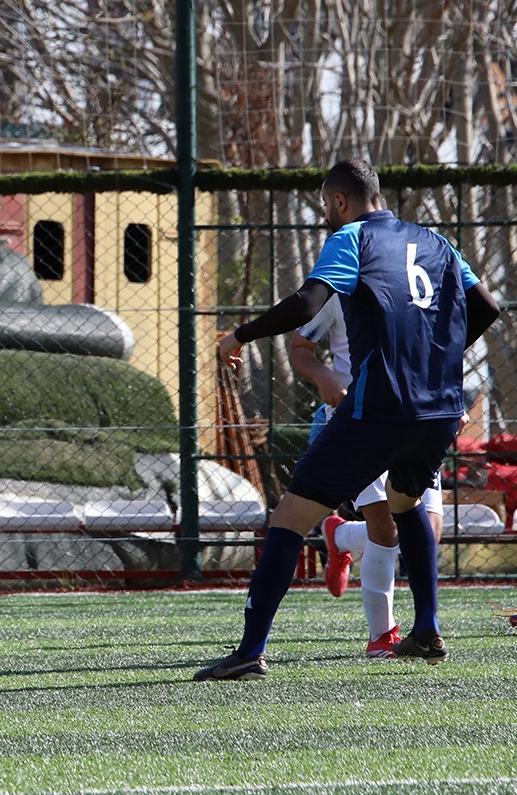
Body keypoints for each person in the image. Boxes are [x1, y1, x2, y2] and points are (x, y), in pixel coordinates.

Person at [199, 158, 499, 681]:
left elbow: (306, 304)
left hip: (378, 408)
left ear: (339, 201)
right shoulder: (437, 240)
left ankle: (249, 651)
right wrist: (437, 359)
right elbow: (488, 308)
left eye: (325, 205)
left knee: (289, 518)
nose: (326, 214)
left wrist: (239, 335)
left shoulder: (352, 237)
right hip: (440, 408)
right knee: (406, 503)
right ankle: (426, 628)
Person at [289, 297, 447, 658]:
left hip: (419, 415)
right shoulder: (339, 289)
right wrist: (324, 376)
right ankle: (382, 635)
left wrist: (449, 395)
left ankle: (340, 535)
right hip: (359, 421)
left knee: (427, 532)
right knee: (385, 526)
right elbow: (299, 348)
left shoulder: (427, 285)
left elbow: (450, 340)